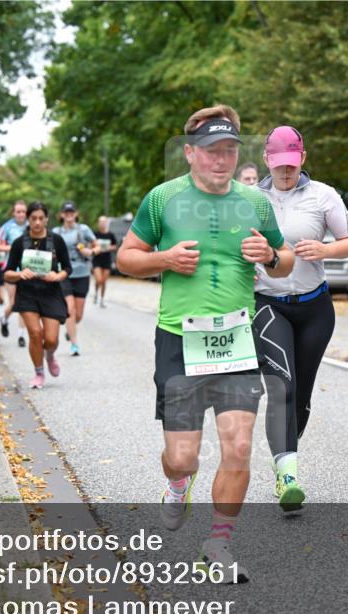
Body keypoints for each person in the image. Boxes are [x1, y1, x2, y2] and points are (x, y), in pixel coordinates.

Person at [116, 104, 294, 582]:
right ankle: (177, 483)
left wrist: (273, 255)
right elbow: (125, 258)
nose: (223, 159)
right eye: (213, 151)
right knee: (183, 456)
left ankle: (218, 543)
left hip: (236, 339)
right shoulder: (163, 200)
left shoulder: (255, 203)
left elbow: (286, 261)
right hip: (179, 338)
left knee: (238, 446)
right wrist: (166, 259)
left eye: (231, 150)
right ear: (190, 154)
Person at [254, 126, 348, 511]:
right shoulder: (252, 197)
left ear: (303, 159)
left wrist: (326, 248)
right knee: (281, 385)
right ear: (267, 159)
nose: (286, 172)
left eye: (292, 164)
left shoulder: (323, 195)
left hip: (315, 308)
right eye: (280, 164)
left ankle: (283, 455)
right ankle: (288, 479)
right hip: (268, 304)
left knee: (300, 395)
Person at [4, 202, 73, 389]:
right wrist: (19, 274)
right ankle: (38, 373)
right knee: (35, 334)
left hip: (50, 293)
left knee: (50, 340)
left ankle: (49, 355)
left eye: (41, 218)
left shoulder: (56, 240)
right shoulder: (20, 243)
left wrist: (57, 275)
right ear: (28, 219)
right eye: (33, 218)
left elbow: (68, 268)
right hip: (27, 293)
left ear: (47, 219)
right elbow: (7, 272)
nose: (37, 222)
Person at [52, 201, 97, 356]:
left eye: (72, 212)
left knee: (78, 315)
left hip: (82, 273)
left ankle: (71, 331)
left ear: (76, 214)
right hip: (64, 274)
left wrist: (90, 252)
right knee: (69, 309)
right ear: (62, 215)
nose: (69, 214)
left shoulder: (83, 229)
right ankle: (74, 344)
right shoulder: (56, 232)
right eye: (66, 212)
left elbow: (96, 245)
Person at [0, 201, 29, 346]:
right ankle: (4, 318)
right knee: (15, 302)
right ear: (13, 213)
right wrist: (13, 247)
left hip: (27, 270)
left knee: (23, 302)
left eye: (23, 212)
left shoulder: (31, 226)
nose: (21, 214)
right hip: (10, 269)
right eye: (18, 212)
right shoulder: (7, 227)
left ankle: (21, 335)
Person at [91, 215, 118, 307]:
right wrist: (95, 247)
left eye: (104, 222)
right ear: (98, 223)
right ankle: (95, 293)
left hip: (106, 260)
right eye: (101, 222)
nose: (102, 223)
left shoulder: (110, 235)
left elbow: (115, 246)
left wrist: (109, 247)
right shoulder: (95, 234)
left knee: (104, 281)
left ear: (106, 223)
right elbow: (90, 245)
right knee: (99, 279)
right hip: (97, 259)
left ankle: (102, 300)